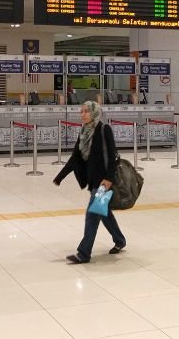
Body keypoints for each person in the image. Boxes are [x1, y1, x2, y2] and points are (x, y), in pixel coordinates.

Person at [53, 100, 125, 264]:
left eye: (86, 111)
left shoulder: (103, 129)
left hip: (104, 183)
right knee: (104, 214)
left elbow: (113, 155)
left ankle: (84, 253)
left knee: (92, 216)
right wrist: (60, 177)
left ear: (94, 113)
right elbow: (75, 158)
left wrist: (109, 179)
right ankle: (120, 240)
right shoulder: (84, 132)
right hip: (93, 181)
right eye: (81, 111)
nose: (82, 114)